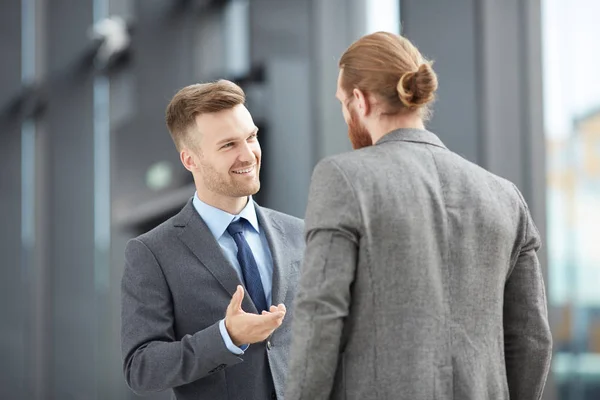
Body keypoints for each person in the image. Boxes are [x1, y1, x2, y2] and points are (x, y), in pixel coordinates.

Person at [285, 32, 552, 400]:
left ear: (360, 101)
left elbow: (320, 320)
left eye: (342, 103)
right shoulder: (505, 196)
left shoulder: (345, 178)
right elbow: (531, 339)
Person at [121, 80, 304, 400]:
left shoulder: (300, 234)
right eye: (228, 145)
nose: (248, 155)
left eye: (251, 137)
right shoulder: (153, 253)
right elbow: (141, 368)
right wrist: (226, 336)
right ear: (190, 160)